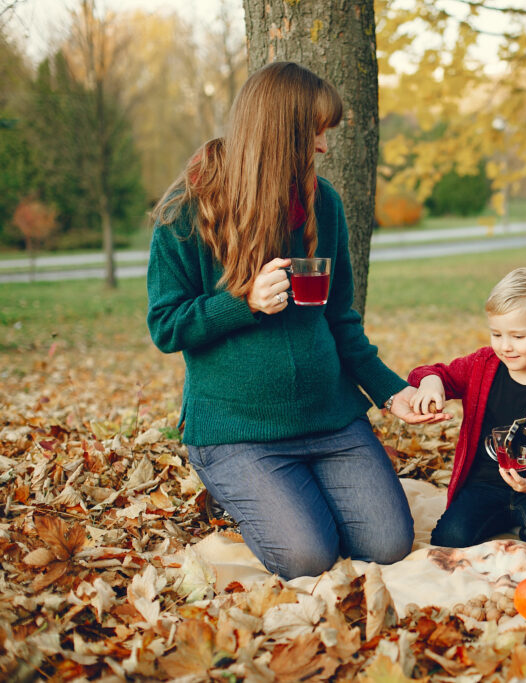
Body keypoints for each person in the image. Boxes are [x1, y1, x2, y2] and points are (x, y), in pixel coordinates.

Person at [147, 62, 443, 581]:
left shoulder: (323, 203)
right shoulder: (188, 212)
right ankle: (255, 491)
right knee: (309, 557)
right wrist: (243, 302)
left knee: (390, 543)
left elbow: (342, 322)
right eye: (314, 132)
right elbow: (166, 326)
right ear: (280, 133)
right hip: (238, 433)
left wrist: (393, 393)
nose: (323, 147)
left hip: (331, 422)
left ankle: (299, 492)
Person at [407, 268, 526, 550]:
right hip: (484, 486)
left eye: (518, 337)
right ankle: (499, 521)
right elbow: (431, 372)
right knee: (450, 539)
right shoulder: (481, 366)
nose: (505, 346)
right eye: (497, 334)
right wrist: (432, 383)